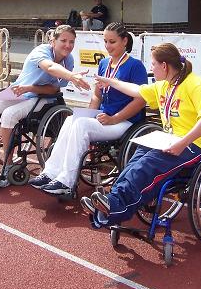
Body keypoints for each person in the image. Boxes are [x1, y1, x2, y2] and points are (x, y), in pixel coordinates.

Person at [81, 42, 201, 228]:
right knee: (136, 160)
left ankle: (116, 206)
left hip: (197, 144)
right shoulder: (164, 85)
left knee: (148, 163)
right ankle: (111, 199)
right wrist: (109, 81)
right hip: (171, 138)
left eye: (153, 64)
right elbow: (135, 90)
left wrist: (182, 143)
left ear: (164, 66)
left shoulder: (195, 84)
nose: (151, 68)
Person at [0, 25, 90, 188]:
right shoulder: (41, 51)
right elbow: (49, 67)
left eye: (71, 42)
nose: (68, 45)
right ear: (53, 41)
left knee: (9, 115)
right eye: (63, 41)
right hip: (18, 92)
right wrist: (72, 76)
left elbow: (54, 89)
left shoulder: (68, 60)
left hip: (42, 98)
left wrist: (30, 88)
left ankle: (8, 166)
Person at [30, 22, 148, 196]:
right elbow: (97, 96)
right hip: (104, 118)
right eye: (105, 41)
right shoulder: (104, 63)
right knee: (72, 119)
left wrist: (114, 118)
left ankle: (67, 181)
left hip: (125, 121)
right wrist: (89, 114)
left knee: (81, 125)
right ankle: (50, 173)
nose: (107, 46)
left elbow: (141, 100)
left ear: (124, 41)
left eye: (112, 42)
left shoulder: (135, 66)